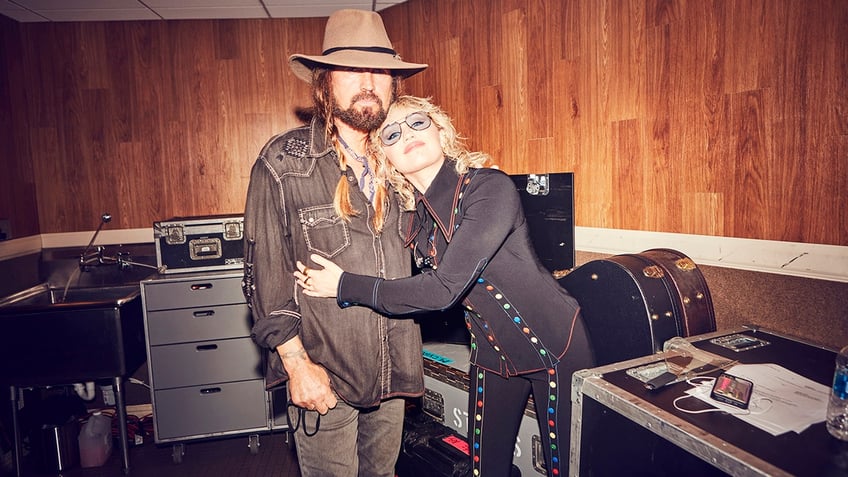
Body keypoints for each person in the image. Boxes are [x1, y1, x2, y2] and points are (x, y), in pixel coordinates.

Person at [296, 95, 597, 477]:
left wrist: (343, 285)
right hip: (492, 353)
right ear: (386, 157)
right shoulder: (412, 218)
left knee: (566, 472)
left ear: (441, 132)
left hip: (556, 345)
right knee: (482, 471)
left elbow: (442, 289)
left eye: (418, 123)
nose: (407, 134)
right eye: (392, 133)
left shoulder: (489, 188)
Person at [241, 10, 429, 477]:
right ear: (325, 84)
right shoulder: (283, 163)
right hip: (325, 372)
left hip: (393, 371)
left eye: (380, 70)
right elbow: (263, 279)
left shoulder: (402, 161)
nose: (368, 81)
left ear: (393, 85)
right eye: (352, 70)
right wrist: (296, 365)